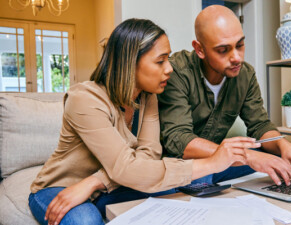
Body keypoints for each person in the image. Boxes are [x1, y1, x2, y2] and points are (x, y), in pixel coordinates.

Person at [28, 18, 260, 225]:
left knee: (179, 194)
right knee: (85, 219)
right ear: (130, 63)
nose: (169, 69)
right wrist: (213, 163)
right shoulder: (84, 99)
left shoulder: (148, 96)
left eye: (168, 59)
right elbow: (128, 168)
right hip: (64, 186)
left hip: (107, 186)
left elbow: (148, 157)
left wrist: (94, 183)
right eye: (160, 61)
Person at [158, 5, 291, 187]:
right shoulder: (176, 72)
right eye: (223, 50)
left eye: (240, 45)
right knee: (206, 177)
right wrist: (247, 155)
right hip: (181, 166)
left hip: (221, 163)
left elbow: (259, 125)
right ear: (200, 49)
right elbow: (178, 139)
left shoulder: (245, 74)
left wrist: (283, 144)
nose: (237, 58)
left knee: (276, 160)